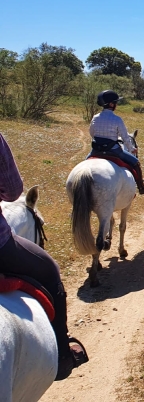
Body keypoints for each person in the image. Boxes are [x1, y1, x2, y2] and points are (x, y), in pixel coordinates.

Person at [0, 132, 89, 380]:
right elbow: (13, 191)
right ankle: (62, 353)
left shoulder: (94, 122)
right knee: (50, 270)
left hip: (97, 150)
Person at [88, 90, 144, 194]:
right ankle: (141, 187)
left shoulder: (95, 117)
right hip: (113, 150)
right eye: (115, 103)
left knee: (84, 163)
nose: (116, 105)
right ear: (111, 104)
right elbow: (125, 137)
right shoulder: (117, 119)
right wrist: (131, 149)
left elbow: (92, 133)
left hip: (96, 150)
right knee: (136, 163)